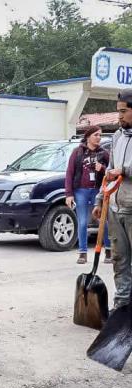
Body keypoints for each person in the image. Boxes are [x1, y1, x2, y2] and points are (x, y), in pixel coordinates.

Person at [93, 89, 132, 309]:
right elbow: (109, 172)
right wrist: (100, 200)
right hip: (116, 209)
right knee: (120, 261)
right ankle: (121, 309)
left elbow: (118, 170)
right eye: (118, 112)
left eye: (124, 112)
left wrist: (124, 170)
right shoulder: (117, 136)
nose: (119, 117)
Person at [64, 125, 110, 265]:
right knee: (83, 222)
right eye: (96, 135)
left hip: (98, 190)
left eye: (100, 135)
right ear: (88, 136)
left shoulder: (104, 153)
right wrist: (69, 194)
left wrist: (102, 168)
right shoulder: (77, 152)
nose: (98, 138)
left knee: (104, 221)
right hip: (81, 191)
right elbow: (69, 173)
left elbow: (112, 171)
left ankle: (108, 250)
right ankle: (82, 253)